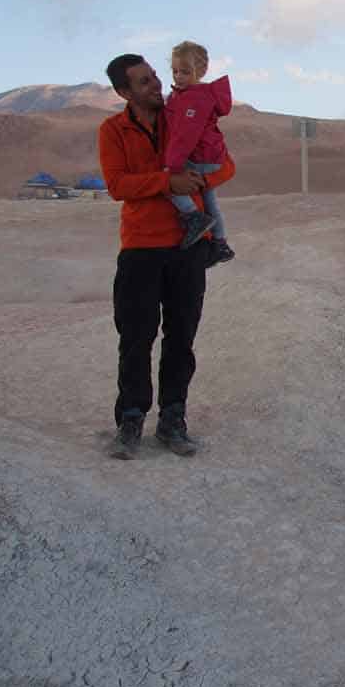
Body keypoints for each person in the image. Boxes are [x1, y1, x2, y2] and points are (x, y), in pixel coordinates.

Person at [98, 53, 236, 460]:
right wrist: (166, 181)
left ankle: (173, 419)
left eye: (155, 76)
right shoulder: (113, 130)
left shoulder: (184, 114)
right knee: (136, 338)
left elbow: (226, 166)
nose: (156, 85)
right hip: (140, 248)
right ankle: (131, 419)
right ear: (124, 92)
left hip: (188, 249)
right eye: (144, 82)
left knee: (182, 338)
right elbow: (117, 184)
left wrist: (196, 179)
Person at [165, 40, 236, 264]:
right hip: (213, 156)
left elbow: (186, 135)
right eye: (175, 71)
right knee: (210, 199)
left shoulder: (193, 99)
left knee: (169, 183)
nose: (178, 77)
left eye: (185, 72)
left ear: (201, 71)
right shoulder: (198, 95)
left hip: (200, 157)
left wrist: (173, 165)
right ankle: (220, 243)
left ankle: (193, 217)